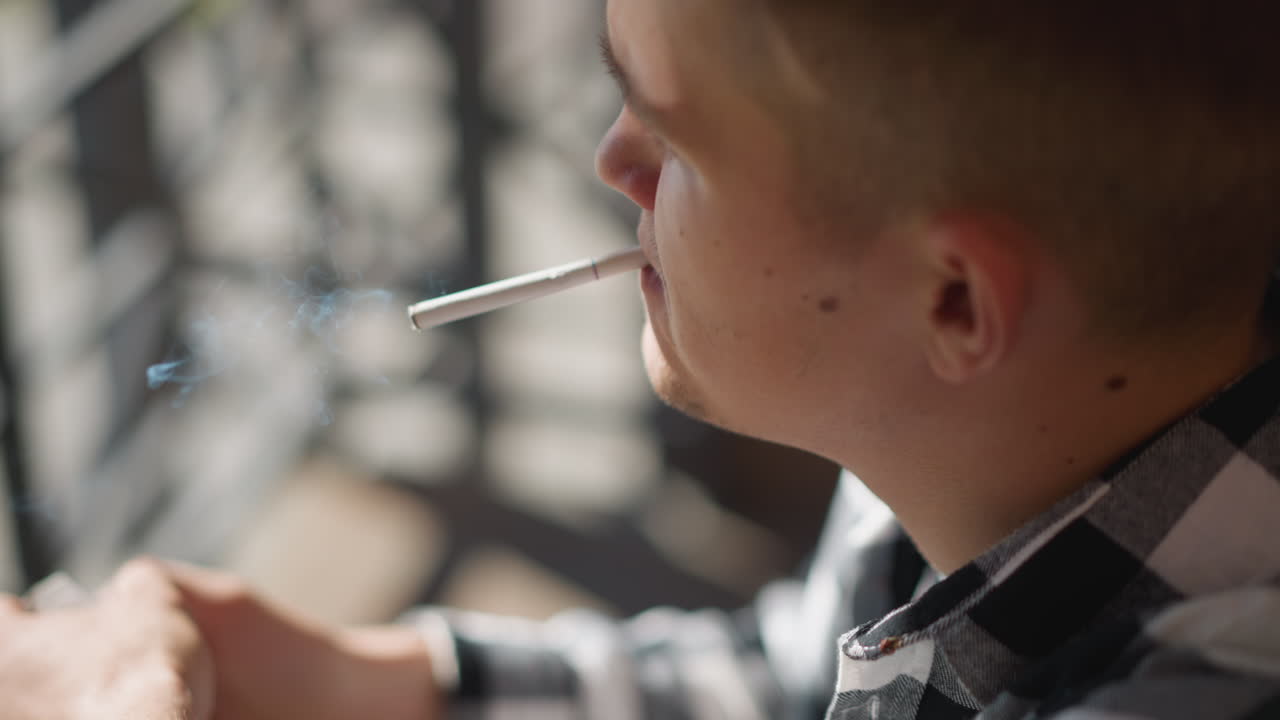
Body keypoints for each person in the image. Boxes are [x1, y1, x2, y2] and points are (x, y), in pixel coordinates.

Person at [5, 0, 1280, 717]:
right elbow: (802, 677)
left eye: (677, 140)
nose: (611, 161)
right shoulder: (975, 446)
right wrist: (372, 680)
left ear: (952, 303)